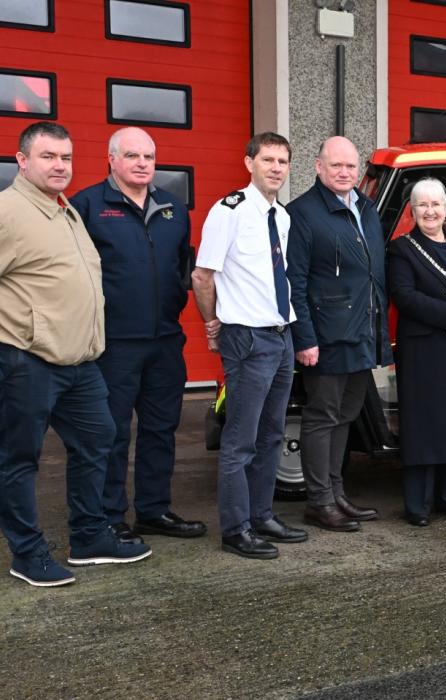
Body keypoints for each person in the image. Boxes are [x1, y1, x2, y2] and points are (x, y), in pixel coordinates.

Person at [0, 121, 151, 587]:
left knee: (98, 440)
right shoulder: (8, 210)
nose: (59, 166)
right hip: (28, 358)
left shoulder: (63, 208)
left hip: (80, 363)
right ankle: (27, 554)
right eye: (48, 157)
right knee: (19, 458)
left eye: (65, 157)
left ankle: (88, 537)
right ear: (22, 160)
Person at [71, 127, 206, 542]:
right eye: (132, 155)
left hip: (166, 340)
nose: (142, 163)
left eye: (148, 156)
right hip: (114, 344)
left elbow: (183, 268)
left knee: (161, 428)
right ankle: (110, 515)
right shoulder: (88, 206)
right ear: (111, 159)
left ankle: (153, 509)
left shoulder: (172, 208)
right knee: (111, 432)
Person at [192, 132, 308, 559]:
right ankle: (236, 529)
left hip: (281, 335)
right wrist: (212, 322)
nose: (276, 168)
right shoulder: (229, 211)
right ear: (249, 164)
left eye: (283, 161)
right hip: (247, 337)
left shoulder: (282, 216)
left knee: (272, 434)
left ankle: (262, 516)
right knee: (240, 441)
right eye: (268, 160)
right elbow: (203, 276)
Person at [286, 136, 389, 532]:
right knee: (323, 416)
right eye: (336, 166)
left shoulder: (365, 207)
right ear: (318, 167)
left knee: (346, 415)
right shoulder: (304, 213)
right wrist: (305, 338)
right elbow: (294, 280)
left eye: (350, 166)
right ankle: (319, 502)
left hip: (363, 331)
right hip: (326, 336)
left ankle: (336, 493)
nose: (345, 172)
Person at [386, 178, 446, 526]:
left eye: (436, 204)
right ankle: (418, 506)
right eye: (422, 205)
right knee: (425, 424)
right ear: (412, 211)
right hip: (422, 351)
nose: (430, 211)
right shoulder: (401, 249)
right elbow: (404, 295)